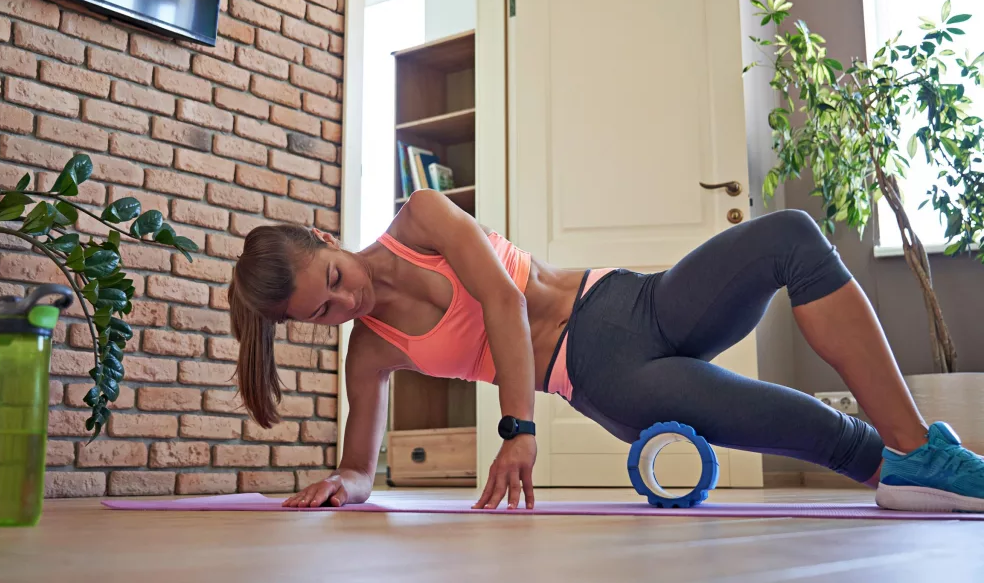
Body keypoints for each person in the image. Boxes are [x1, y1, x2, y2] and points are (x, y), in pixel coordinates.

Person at [228, 189, 984, 513]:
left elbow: (502, 298)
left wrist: (516, 430)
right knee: (838, 441)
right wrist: (347, 484)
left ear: (328, 238)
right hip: (606, 374)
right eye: (321, 314)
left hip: (631, 298)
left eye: (333, 279)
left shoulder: (420, 217)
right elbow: (363, 463)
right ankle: (908, 467)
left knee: (790, 235)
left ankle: (919, 448)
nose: (345, 303)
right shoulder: (371, 354)